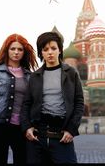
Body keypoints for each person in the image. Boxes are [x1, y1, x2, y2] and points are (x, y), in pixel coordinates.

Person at [20, 31, 84, 164]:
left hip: (62, 136)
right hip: (37, 138)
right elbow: (26, 104)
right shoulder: (35, 76)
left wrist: (71, 130)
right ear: (41, 53)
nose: (50, 52)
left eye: (53, 48)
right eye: (45, 49)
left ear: (60, 50)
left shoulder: (71, 73)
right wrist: (27, 127)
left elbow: (79, 103)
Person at [0, 33, 38, 165]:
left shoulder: (30, 76)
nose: (16, 52)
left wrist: (31, 126)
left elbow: (33, 103)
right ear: (7, 50)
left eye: (20, 49)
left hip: (22, 129)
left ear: (24, 52)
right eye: (13, 49)